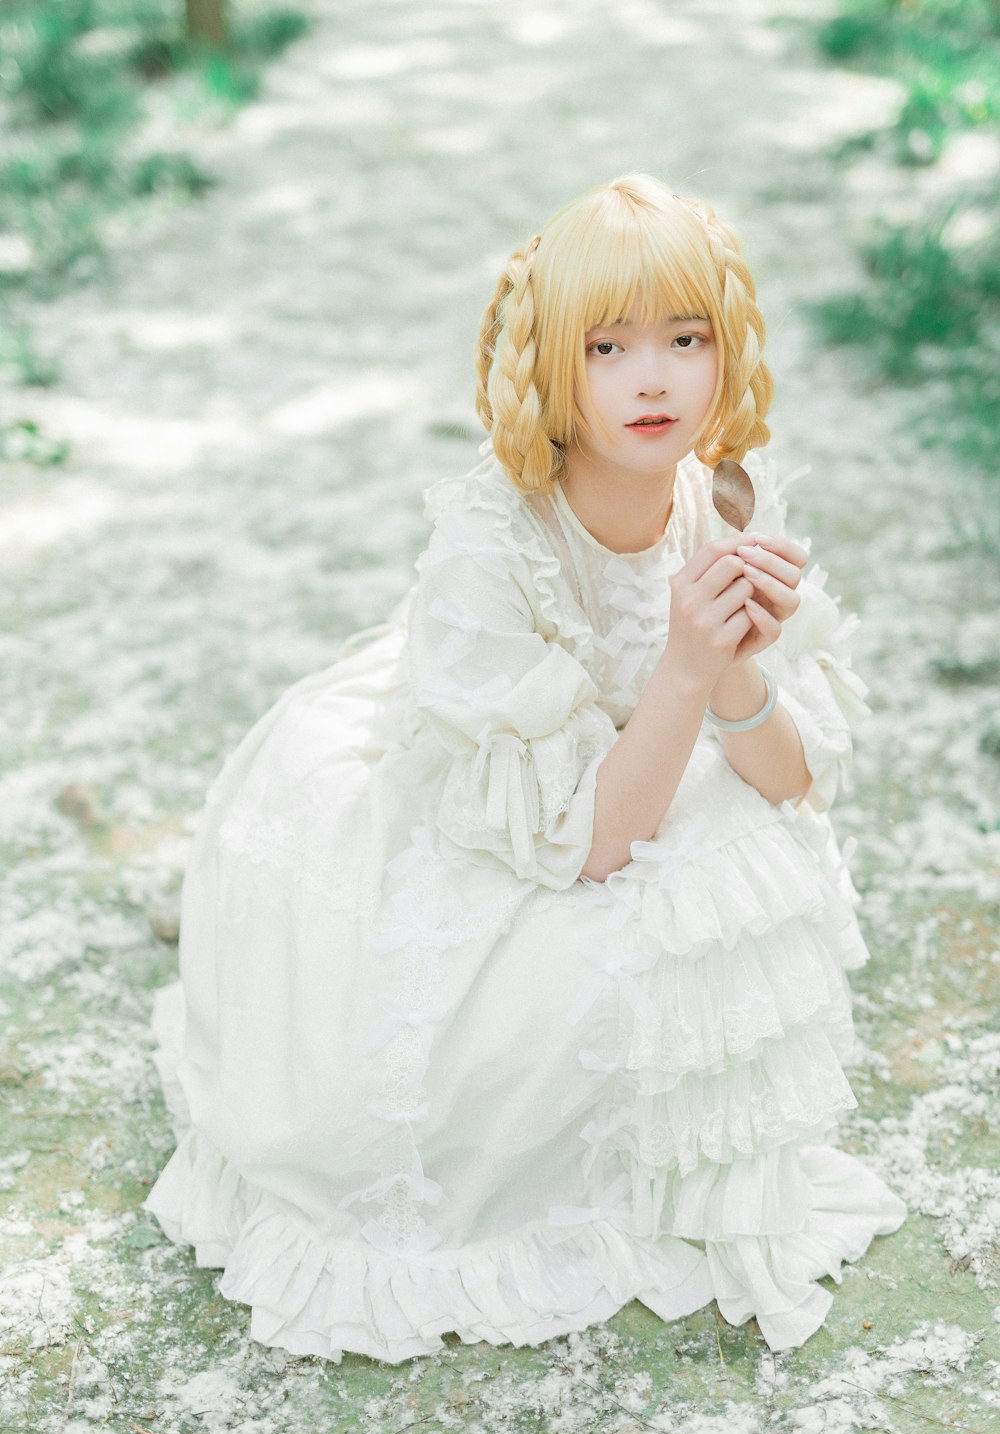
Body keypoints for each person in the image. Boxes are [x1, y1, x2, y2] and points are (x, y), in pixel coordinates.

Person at [145, 173, 906, 1363]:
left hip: (627, 761)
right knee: (494, 1019)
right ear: (552, 365)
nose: (650, 377)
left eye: (683, 338)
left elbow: (791, 777)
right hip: (511, 803)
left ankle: (685, 1177)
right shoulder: (491, 548)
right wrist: (681, 668)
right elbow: (584, 846)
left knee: (750, 860)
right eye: (607, 347)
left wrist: (739, 669)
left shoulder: (721, 499)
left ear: (725, 351)